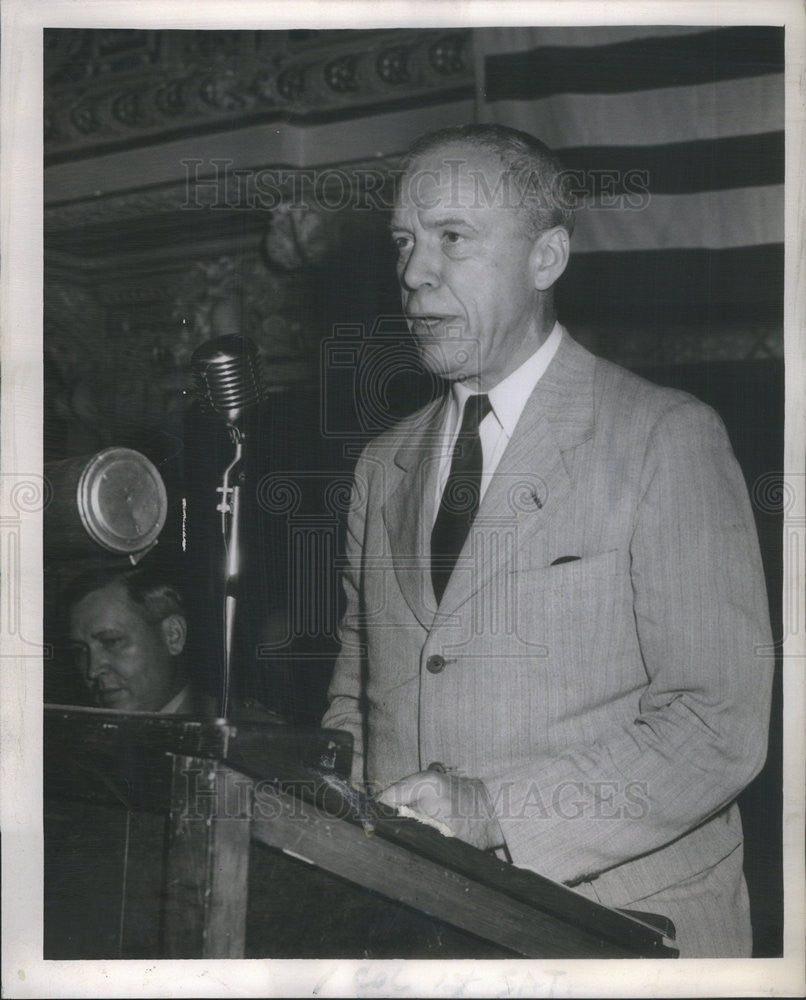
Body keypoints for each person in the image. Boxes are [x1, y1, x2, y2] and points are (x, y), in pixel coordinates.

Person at [322, 123, 774, 957]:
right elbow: (359, 698)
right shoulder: (381, 467)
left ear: (547, 258)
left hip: (625, 932)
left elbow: (719, 723)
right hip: (422, 932)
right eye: (405, 242)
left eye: (453, 239)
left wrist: (494, 812)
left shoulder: (663, 436)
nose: (415, 273)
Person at [65, 564, 215, 715]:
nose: (92, 671)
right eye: (80, 651)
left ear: (173, 635)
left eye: (111, 641)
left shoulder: (227, 728)